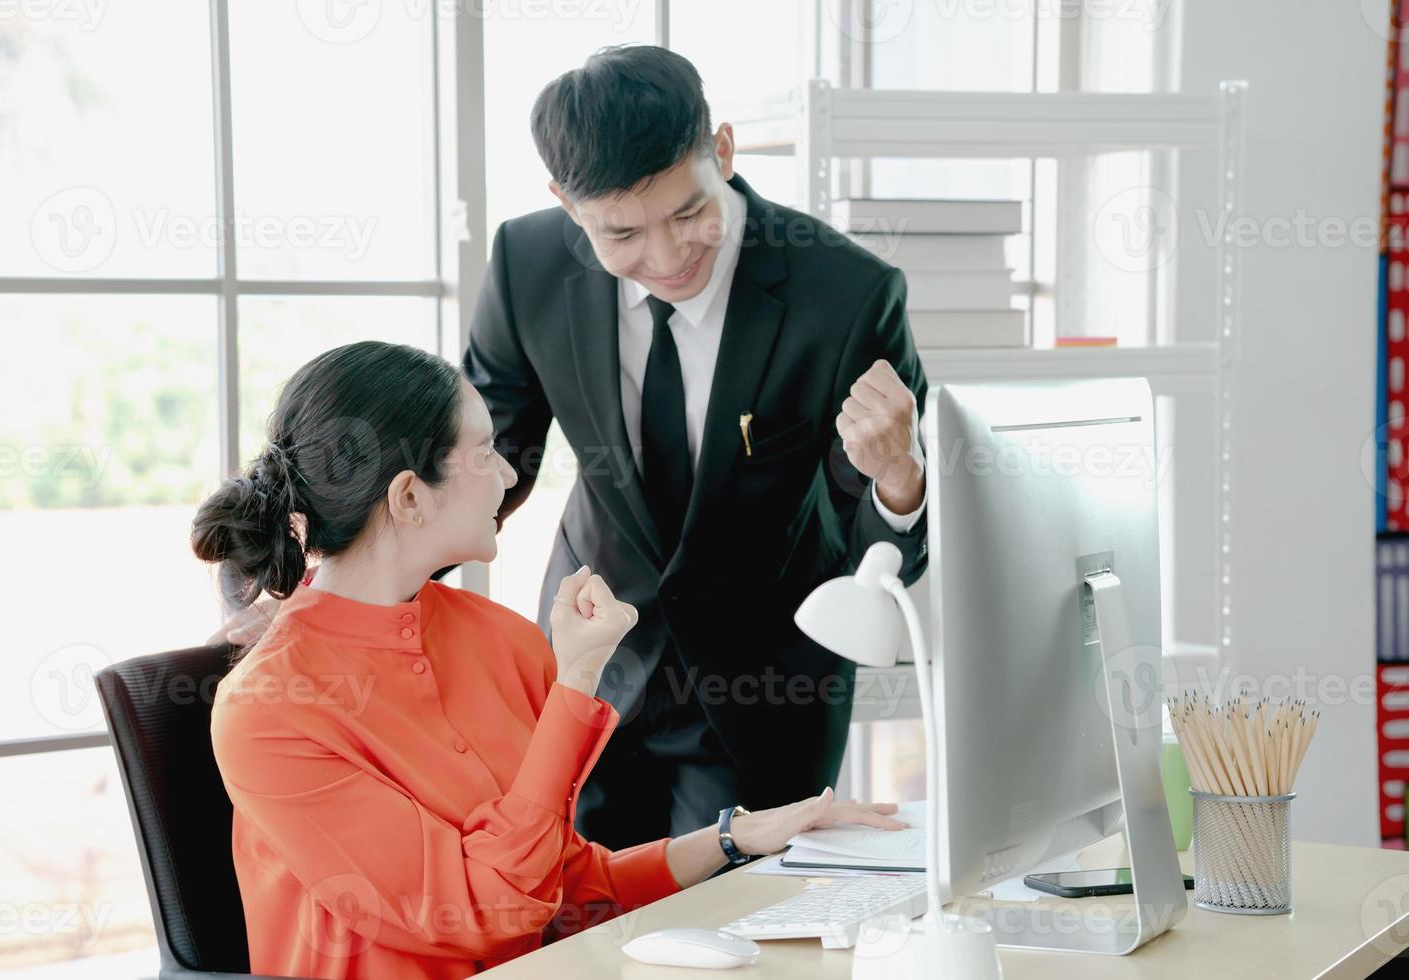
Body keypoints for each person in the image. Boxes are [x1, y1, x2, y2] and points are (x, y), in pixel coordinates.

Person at [213, 45, 929, 851]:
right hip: (581, 670)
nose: (665, 259)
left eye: (690, 213)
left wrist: (899, 480)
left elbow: (873, 549)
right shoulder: (530, 263)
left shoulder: (848, 295)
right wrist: (332, 592)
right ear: (565, 202)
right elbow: (481, 461)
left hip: (759, 696)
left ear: (722, 152)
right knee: (569, 924)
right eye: (622, 232)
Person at [194, 341, 904, 980]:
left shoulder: (498, 638)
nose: (508, 473)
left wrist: (739, 834)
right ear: (409, 497)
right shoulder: (267, 711)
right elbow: (484, 910)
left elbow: (564, 889)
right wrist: (577, 681)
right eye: (483, 451)